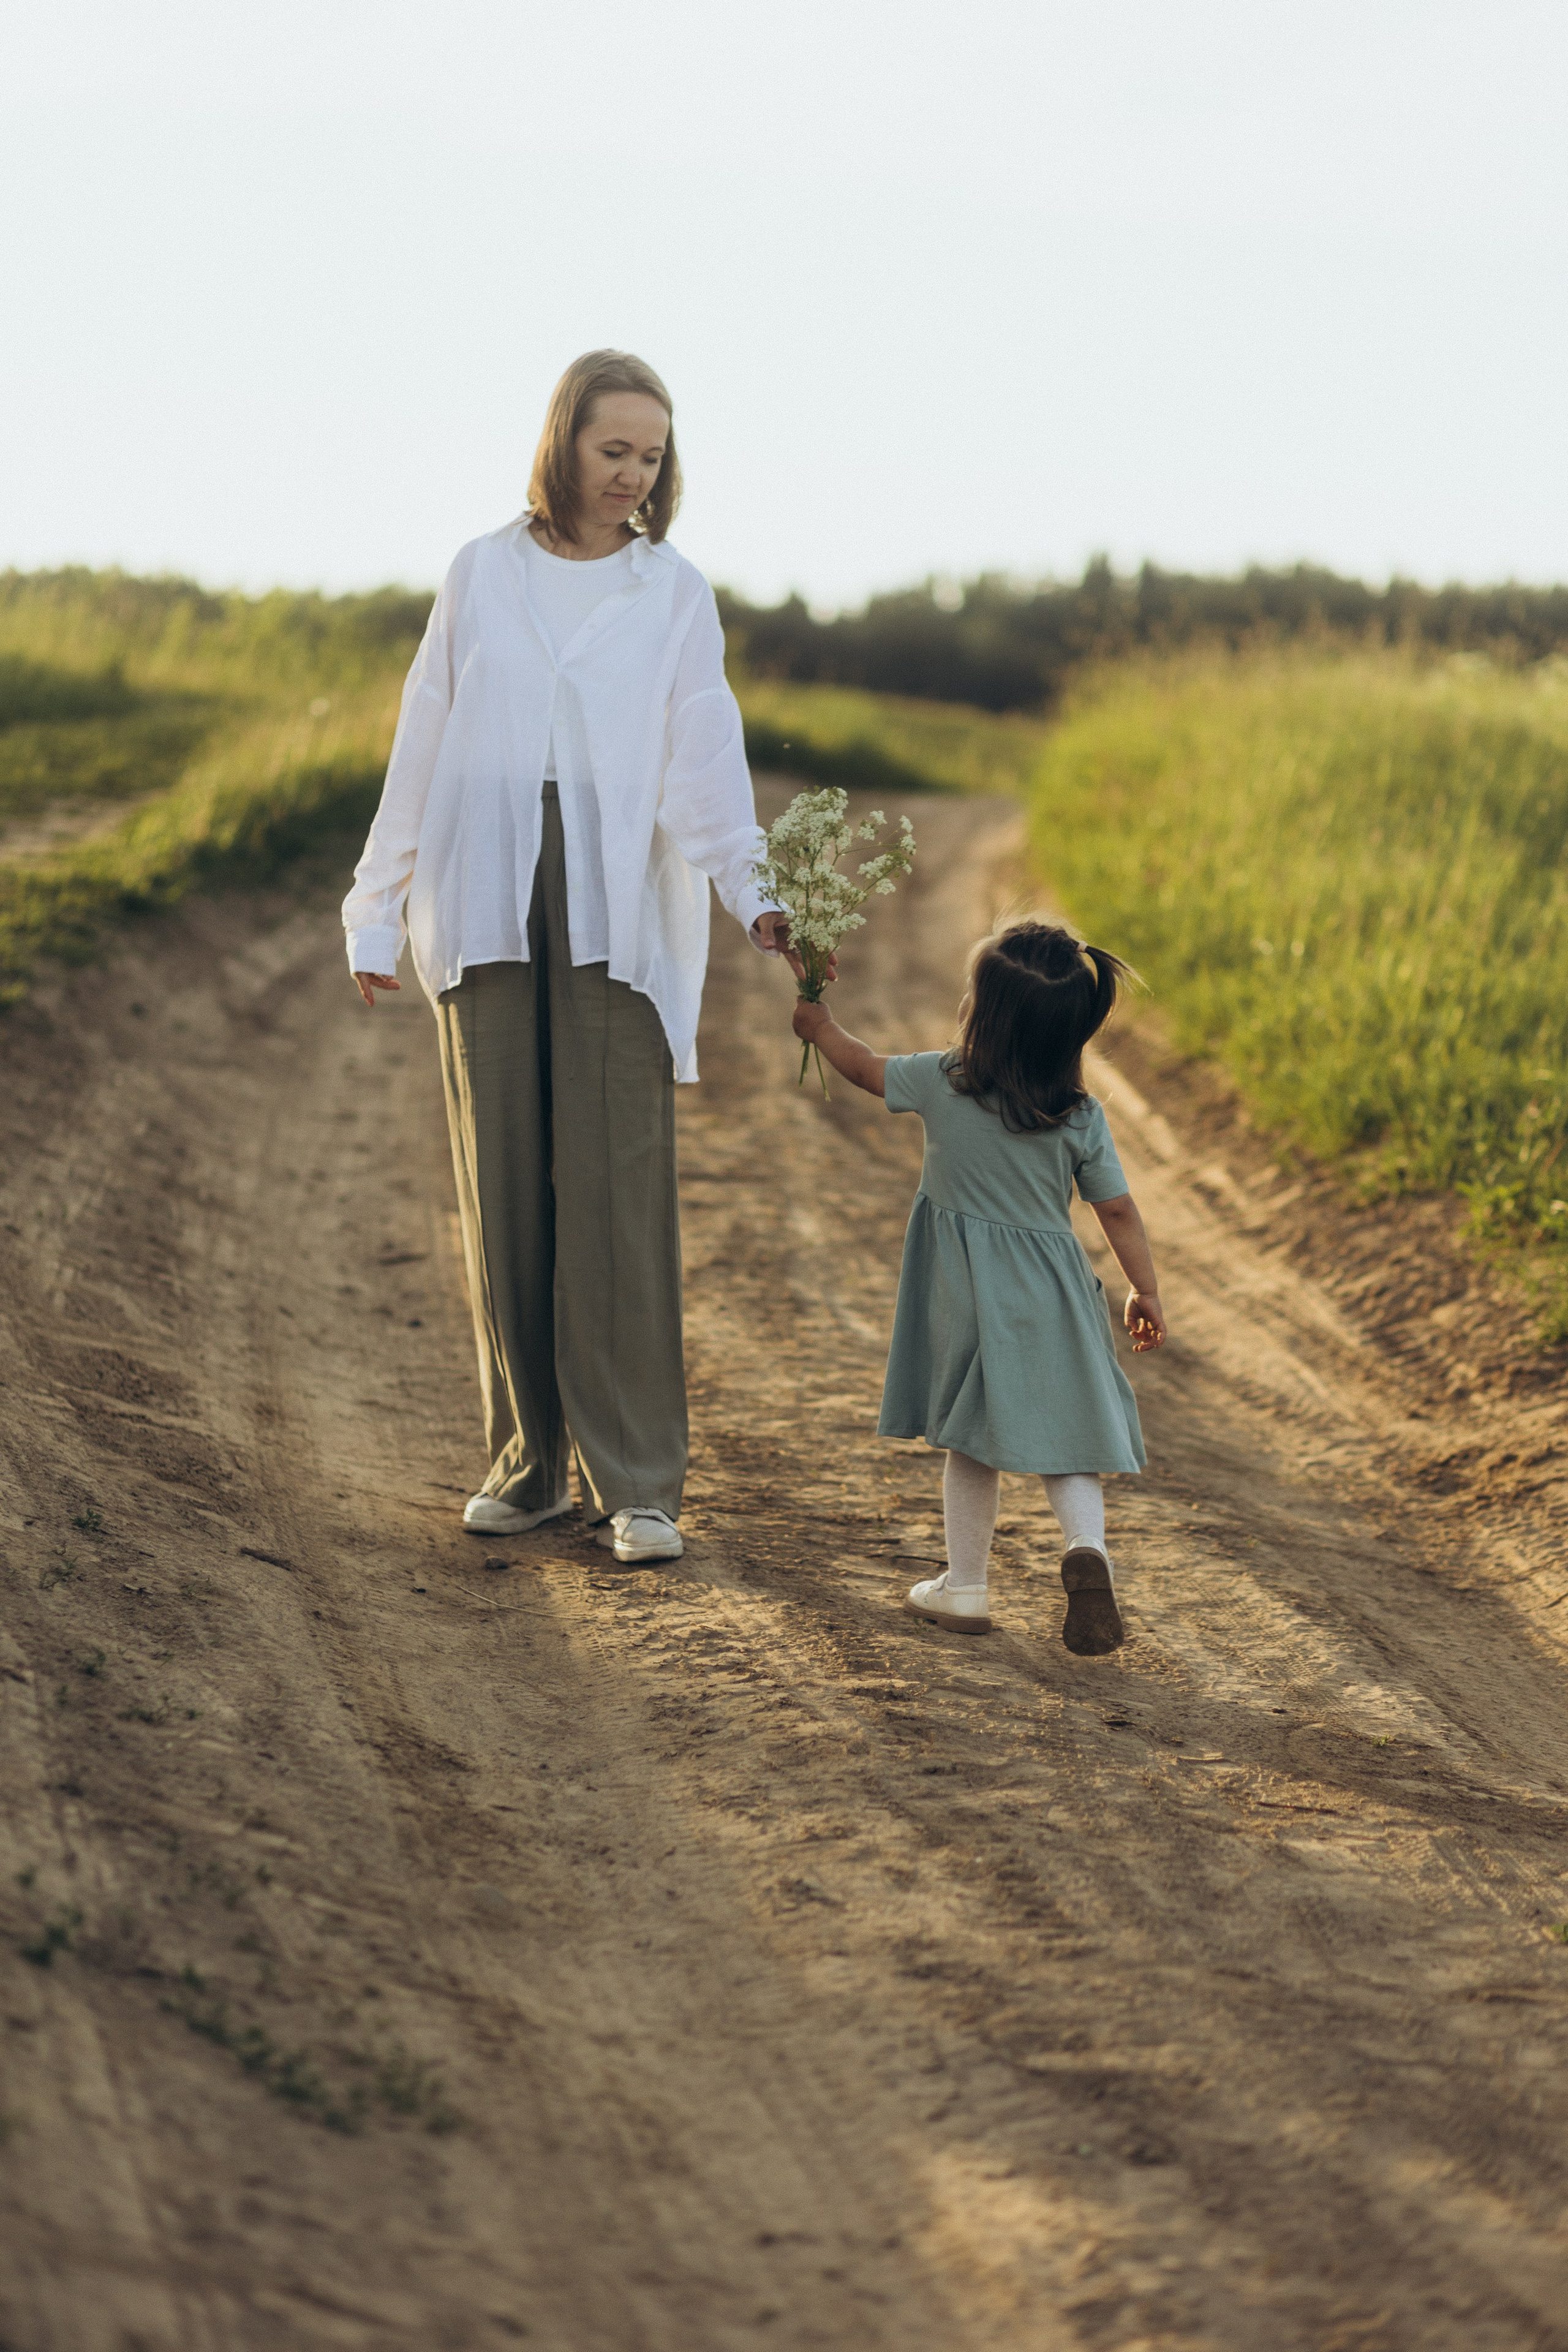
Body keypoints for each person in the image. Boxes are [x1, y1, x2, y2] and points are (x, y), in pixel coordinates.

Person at [342, 350, 801, 1565]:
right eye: (613, 450)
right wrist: (373, 909)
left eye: (651, 456)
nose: (633, 475)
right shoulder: (480, 574)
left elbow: (702, 759)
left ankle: (639, 1479)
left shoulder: (671, 593)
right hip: (486, 888)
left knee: (612, 1183)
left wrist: (754, 893)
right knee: (505, 1182)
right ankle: (531, 1464)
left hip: (613, 902)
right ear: (563, 443)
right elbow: (421, 741)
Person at [791, 920, 1166, 1653]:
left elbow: (865, 1069)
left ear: (982, 1015)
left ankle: (965, 1585)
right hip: (1053, 1294)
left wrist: (819, 1024)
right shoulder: (1078, 1115)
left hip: (965, 1295)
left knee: (970, 1440)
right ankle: (1085, 1548)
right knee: (1069, 1442)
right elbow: (1115, 1207)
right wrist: (1143, 1291)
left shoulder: (942, 1081)